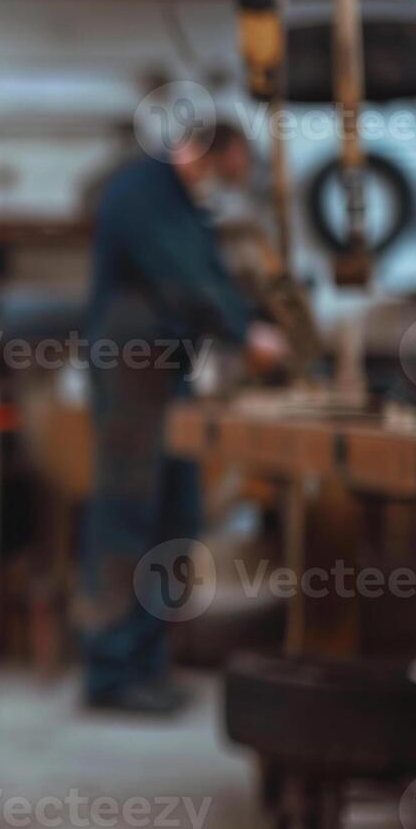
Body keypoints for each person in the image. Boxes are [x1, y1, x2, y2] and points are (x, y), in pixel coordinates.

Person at [78, 123, 287, 714]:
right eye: (225, 171)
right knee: (127, 514)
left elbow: (211, 277)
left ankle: (147, 662)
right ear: (204, 152)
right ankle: (111, 672)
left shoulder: (181, 202)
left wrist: (255, 319)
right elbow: (183, 278)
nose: (222, 184)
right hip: (130, 365)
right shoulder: (142, 190)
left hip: (168, 365)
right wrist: (246, 334)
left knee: (177, 514)